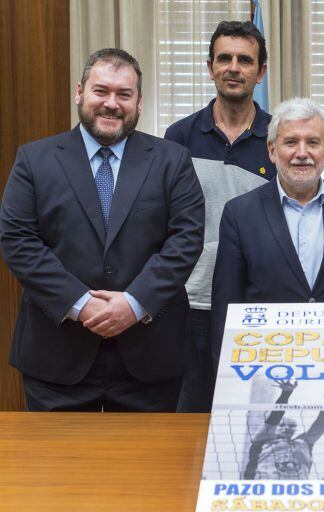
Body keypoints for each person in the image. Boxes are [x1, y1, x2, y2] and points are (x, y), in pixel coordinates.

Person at [0, 48, 204, 411]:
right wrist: (79, 304)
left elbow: (186, 240)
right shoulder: (34, 160)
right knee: (60, 467)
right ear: (80, 92)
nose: (112, 104)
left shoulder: (173, 160)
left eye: (124, 94)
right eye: (101, 91)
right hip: (57, 355)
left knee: (148, 467)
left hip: (150, 355)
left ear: (139, 102)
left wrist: (134, 303)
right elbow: (19, 242)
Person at [211, 97, 324, 360]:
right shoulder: (240, 213)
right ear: (272, 150)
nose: (302, 153)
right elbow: (226, 306)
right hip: (266, 359)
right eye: (291, 142)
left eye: (313, 142)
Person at [165, 21, 275, 413]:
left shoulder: (278, 139)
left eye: (245, 60)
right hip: (188, 304)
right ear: (209, 67)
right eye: (224, 58)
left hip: (254, 304)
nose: (234, 67)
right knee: (188, 417)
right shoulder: (178, 137)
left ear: (261, 72)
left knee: (251, 414)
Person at [243, 380, 324, 479]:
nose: (287, 427)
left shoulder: (303, 443)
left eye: (291, 426)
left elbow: (319, 425)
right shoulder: (263, 439)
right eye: (282, 425)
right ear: (276, 427)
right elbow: (273, 419)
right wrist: (286, 394)